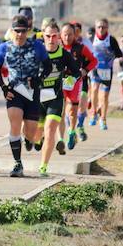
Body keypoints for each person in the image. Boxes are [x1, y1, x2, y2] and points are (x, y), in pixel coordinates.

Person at [0, 15, 51, 177]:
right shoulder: (4, 48)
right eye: (17, 31)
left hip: (32, 93)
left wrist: (39, 79)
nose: (20, 34)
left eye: (23, 31)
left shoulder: (37, 46)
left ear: (27, 31)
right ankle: (17, 164)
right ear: (12, 31)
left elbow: (47, 66)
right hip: (14, 92)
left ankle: (29, 139)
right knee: (15, 125)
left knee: (31, 132)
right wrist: (4, 88)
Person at [33, 22, 78, 176]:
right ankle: (38, 140)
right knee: (37, 133)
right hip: (37, 99)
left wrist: (71, 80)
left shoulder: (64, 54)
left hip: (55, 99)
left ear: (58, 37)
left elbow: (77, 71)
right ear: (43, 37)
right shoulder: (36, 52)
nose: (51, 39)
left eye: (54, 36)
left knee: (50, 131)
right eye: (48, 36)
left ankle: (43, 167)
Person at [60, 22, 96, 151]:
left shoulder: (80, 48)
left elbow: (94, 60)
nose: (67, 37)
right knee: (61, 110)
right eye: (65, 34)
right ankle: (60, 138)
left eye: (70, 34)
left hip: (75, 82)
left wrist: (85, 70)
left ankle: (71, 132)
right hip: (61, 81)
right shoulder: (57, 46)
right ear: (61, 34)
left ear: (75, 35)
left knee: (73, 110)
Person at [90, 18, 123, 130]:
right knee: (94, 89)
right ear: (95, 28)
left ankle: (103, 119)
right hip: (95, 69)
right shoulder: (91, 38)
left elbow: (119, 54)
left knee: (104, 96)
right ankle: (94, 113)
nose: (101, 29)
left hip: (106, 71)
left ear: (107, 28)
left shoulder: (111, 40)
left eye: (103, 27)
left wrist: (111, 54)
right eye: (99, 27)